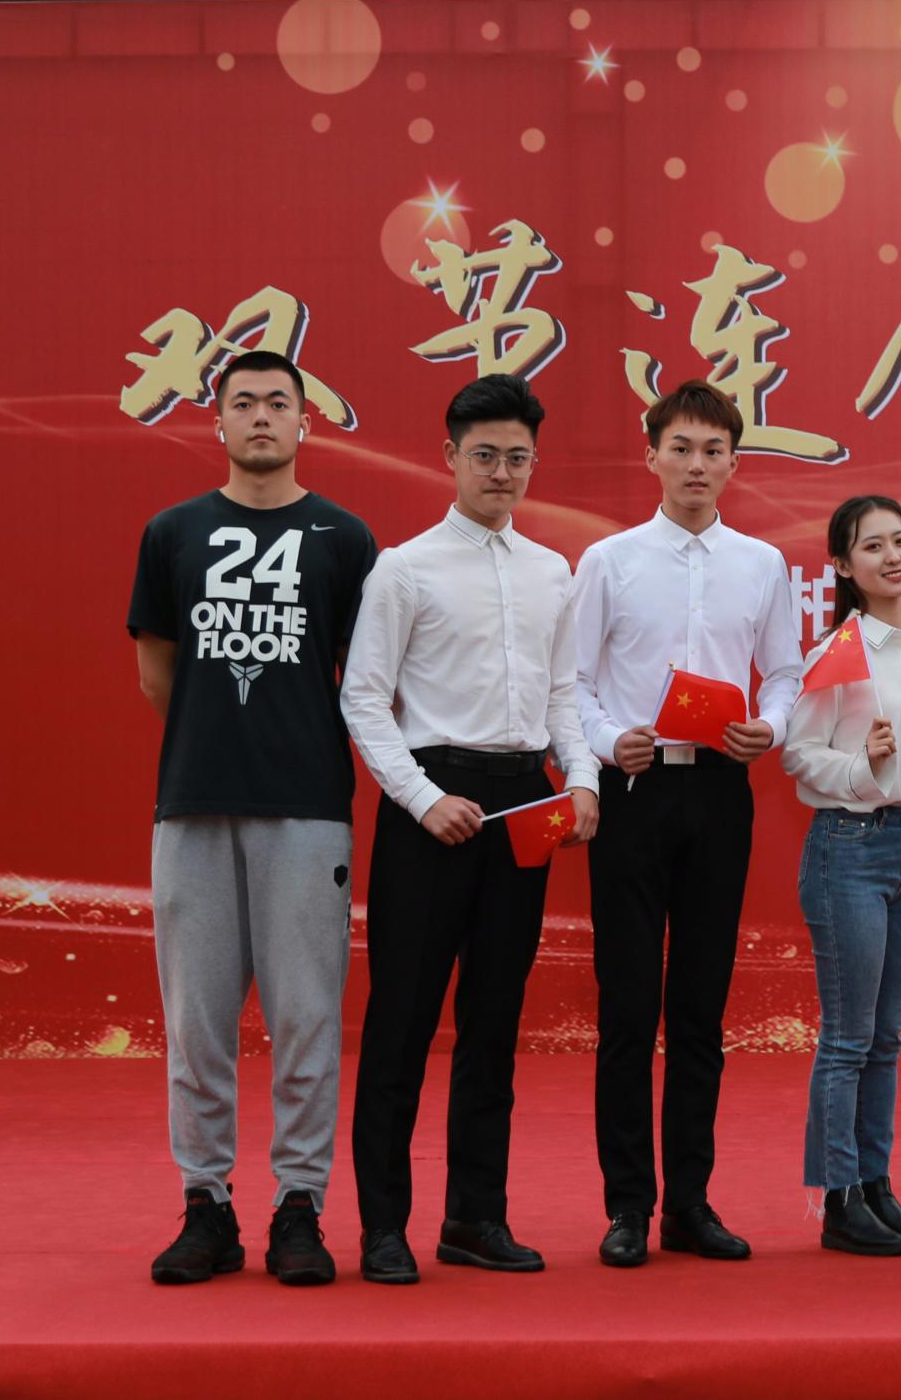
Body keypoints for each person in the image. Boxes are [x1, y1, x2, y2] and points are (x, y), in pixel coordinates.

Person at [341, 375, 601, 1285]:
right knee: (402, 1021)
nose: (501, 472)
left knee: (494, 1021)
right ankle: (383, 1225)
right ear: (450, 456)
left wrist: (580, 779)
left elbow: (563, 694)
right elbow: (364, 698)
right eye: (484, 455)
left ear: (535, 461)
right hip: (431, 803)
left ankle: (475, 1216)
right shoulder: (404, 567)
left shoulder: (552, 571)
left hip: (524, 802)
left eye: (517, 457)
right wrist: (422, 798)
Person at [128, 350, 377, 1287]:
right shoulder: (171, 531)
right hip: (193, 804)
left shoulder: (346, 538)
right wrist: (221, 739)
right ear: (218, 420)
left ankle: (299, 1205)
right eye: (245, 402)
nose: (262, 416)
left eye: (279, 402)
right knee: (197, 1022)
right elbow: (158, 674)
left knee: (306, 1016)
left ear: (306, 420)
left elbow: (364, 676)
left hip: (308, 808)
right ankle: (207, 1204)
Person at [568, 380, 801, 1268]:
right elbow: (571, 683)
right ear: (652, 455)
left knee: (700, 1008)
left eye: (713, 450)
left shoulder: (762, 563)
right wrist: (605, 741)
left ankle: (690, 1204)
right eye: (682, 448)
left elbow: (785, 674)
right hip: (632, 790)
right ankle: (628, 1205)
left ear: (734, 463)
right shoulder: (609, 560)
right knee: (628, 1007)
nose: (697, 464)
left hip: (719, 792)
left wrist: (769, 727)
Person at [784, 495, 901, 1256]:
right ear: (843, 565)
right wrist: (863, 766)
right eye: (873, 546)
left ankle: (877, 1184)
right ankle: (839, 1197)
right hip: (848, 849)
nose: (894, 556)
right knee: (849, 1037)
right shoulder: (839, 653)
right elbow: (798, 756)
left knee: (886, 1037)